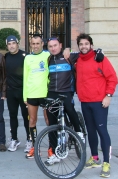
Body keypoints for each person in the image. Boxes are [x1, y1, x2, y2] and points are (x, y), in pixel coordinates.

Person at [45, 37, 104, 165]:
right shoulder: (49, 59)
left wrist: (99, 52)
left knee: (70, 109)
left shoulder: (69, 56)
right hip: (52, 93)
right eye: (50, 46)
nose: (53, 48)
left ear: (60, 45)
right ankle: (54, 153)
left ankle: (78, 132)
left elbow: (86, 52)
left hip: (66, 91)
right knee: (52, 124)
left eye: (55, 45)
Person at [75, 33, 118, 178]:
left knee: (102, 131)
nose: (84, 46)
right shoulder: (78, 60)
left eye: (86, 44)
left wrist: (108, 95)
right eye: (81, 44)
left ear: (91, 45)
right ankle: (95, 158)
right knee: (90, 131)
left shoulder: (100, 58)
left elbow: (112, 78)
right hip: (85, 101)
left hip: (99, 102)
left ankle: (106, 163)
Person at [23, 35, 49, 159]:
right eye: (33, 44)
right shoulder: (28, 58)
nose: (35, 46)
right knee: (32, 121)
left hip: (45, 94)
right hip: (32, 94)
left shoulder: (48, 55)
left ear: (42, 44)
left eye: (37, 43)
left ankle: (52, 148)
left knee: (49, 121)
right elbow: (25, 77)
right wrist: (25, 96)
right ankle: (35, 147)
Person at [4, 35, 30, 152]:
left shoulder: (25, 56)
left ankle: (29, 140)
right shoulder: (6, 57)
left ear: (17, 44)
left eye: (13, 43)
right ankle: (14, 139)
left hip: (23, 92)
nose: (11, 46)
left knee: (26, 117)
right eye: (9, 44)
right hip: (11, 92)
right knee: (12, 116)